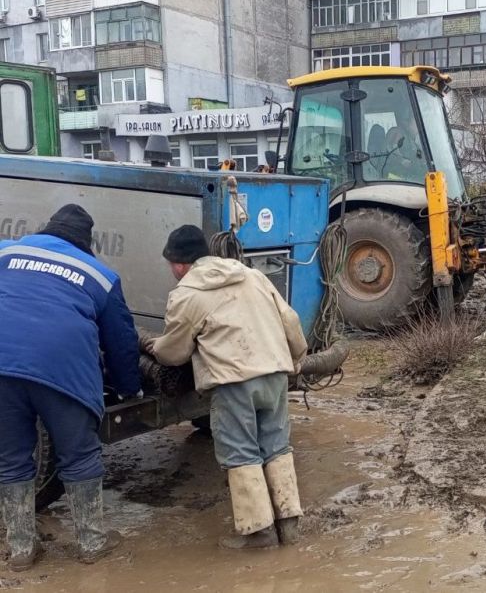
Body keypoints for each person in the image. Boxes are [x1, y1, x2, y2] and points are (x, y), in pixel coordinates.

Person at [146, 225, 308, 549]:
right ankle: (290, 528)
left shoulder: (187, 294)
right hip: (275, 372)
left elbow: (175, 353)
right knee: (276, 447)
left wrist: (153, 346)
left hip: (234, 382)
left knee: (240, 452)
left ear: (179, 264)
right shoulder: (251, 275)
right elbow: (290, 320)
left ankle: (259, 535)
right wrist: (296, 360)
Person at [0, 204, 141, 570]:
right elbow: (121, 343)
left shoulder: (6, 251)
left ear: (46, 230)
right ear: (85, 243)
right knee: (79, 456)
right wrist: (128, 388)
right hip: (63, 369)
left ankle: (20, 549)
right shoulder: (100, 275)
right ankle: (92, 543)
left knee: (11, 459)